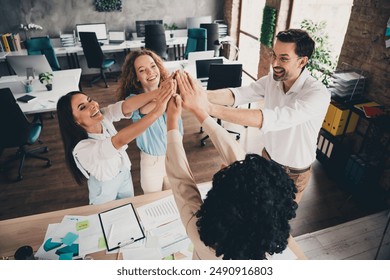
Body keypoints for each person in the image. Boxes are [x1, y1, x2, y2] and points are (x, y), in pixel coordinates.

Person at [165, 71, 299, 260]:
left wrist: (172, 120)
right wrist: (200, 112)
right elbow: (244, 169)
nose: (223, 166)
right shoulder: (264, 232)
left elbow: (181, 181)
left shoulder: (200, 233)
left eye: (224, 174)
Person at [206, 29, 331, 203]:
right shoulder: (273, 79)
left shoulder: (317, 93)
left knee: (277, 222)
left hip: (293, 172)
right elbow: (239, 94)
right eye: (274, 55)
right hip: (267, 158)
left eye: (283, 58)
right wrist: (201, 96)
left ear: (302, 61)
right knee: (258, 206)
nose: (274, 63)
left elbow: (274, 118)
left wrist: (210, 109)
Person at [56, 83, 173, 205]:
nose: (92, 105)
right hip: (104, 189)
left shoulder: (103, 116)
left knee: (128, 209)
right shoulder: (82, 149)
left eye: (89, 100)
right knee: (108, 218)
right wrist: (157, 112)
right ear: (74, 121)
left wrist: (160, 92)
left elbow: (126, 106)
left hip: (124, 175)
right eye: (82, 107)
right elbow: (119, 140)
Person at [117, 49, 183, 193]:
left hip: (176, 155)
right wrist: (169, 90)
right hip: (152, 162)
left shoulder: (172, 92)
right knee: (152, 201)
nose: (150, 72)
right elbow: (148, 107)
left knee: (176, 201)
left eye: (153, 66)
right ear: (136, 78)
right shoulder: (133, 101)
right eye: (142, 70)